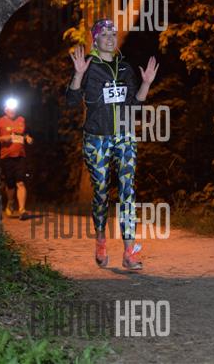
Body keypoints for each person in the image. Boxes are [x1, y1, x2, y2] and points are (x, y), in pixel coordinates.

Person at [66, 19, 159, 270]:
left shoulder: (125, 67)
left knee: (128, 191)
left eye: (113, 34)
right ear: (95, 39)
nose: (110, 37)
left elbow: (134, 105)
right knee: (101, 192)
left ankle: (130, 252)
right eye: (104, 34)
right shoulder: (88, 66)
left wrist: (146, 83)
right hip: (96, 138)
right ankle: (100, 240)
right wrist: (78, 74)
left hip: (125, 136)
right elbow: (72, 101)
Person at [0, 98, 33, 220]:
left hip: (20, 156)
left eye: (14, 109)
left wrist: (28, 138)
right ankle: (10, 202)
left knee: (20, 182)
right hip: (6, 157)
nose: (12, 111)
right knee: (10, 184)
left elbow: (24, 133)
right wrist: (3, 138)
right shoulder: (0, 122)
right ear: (5, 110)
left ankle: (22, 210)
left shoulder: (21, 120)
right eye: (10, 109)